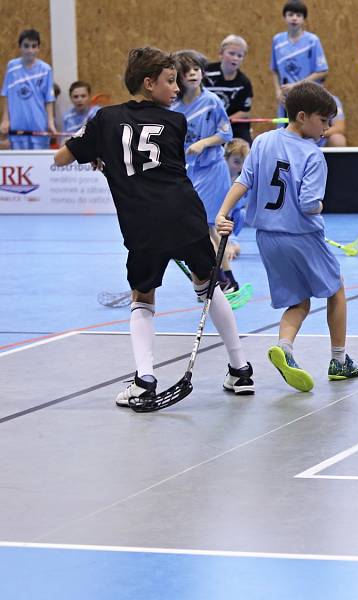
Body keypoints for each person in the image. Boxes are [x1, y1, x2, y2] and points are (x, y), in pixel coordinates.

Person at [53, 47, 254, 406]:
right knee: (207, 285)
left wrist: (99, 153)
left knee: (142, 297)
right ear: (149, 83)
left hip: (142, 223)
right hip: (185, 215)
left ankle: (144, 380)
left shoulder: (104, 118)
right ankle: (240, 371)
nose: (176, 89)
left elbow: (62, 157)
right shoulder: (176, 123)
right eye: (169, 81)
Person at [215, 82, 358, 392]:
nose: (326, 129)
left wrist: (223, 212)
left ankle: (284, 348)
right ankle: (339, 361)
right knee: (335, 290)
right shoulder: (313, 155)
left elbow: (245, 181)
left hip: (267, 238)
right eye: (323, 121)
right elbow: (310, 203)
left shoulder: (264, 141)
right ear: (301, 116)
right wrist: (321, 204)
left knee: (298, 301)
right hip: (302, 236)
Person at [170, 50, 243, 295]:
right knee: (202, 229)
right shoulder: (175, 106)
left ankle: (224, 279)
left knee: (207, 226)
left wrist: (203, 143)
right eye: (186, 71)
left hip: (212, 170)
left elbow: (226, 134)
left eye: (196, 69)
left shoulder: (212, 101)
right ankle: (223, 279)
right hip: (189, 172)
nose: (192, 74)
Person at [270, 1, 329, 121]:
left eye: (298, 15)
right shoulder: (277, 41)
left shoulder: (312, 41)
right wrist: (277, 91)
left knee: (307, 133)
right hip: (286, 98)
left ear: (303, 19)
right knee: (286, 133)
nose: (294, 18)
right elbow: (274, 70)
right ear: (285, 17)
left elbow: (322, 71)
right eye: (290, 15)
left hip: (309, 96)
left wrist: (297, 86)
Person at [0, 29, 56, 149]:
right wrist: (5, 120)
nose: (30, 50)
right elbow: (6, 95)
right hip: (17, 125)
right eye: (26, 46)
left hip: (39, 125)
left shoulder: (46, 69)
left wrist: (50, 122)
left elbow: (49, 99)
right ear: (20, 47)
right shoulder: (12, 67)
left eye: (34, 46)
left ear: (38, 48)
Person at [203, 35, 254, 144]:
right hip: (206, 121)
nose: (235, 58)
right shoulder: (206, 73)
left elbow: (244, 112)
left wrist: (224, 122)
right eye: (231, 53)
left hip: (232, 125)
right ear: (221, 54)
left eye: (240, 56)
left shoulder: (244, 83)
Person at [223, 138, 251, 262]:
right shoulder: (219, 180)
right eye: (236, 162)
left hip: (229, 223)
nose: (239, 167)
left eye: (243, 163)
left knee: (242, 213)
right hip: (213, 223)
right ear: (225, 158)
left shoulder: (243, 179)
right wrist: (228, 243)